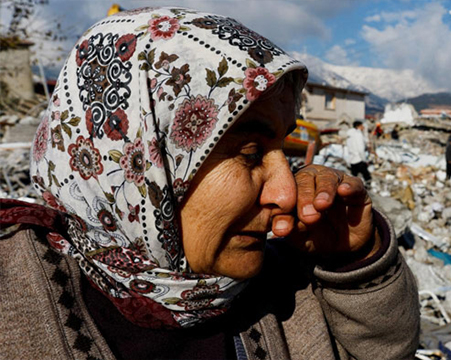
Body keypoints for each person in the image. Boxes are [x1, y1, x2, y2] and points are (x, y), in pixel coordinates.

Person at [0, 8, 419, 360]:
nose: (286, 192)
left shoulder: (285, 286)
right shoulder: (13, 291)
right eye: (251, 152)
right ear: (140, 158)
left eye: (284, 150)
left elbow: (390, 349)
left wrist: (354, 257)